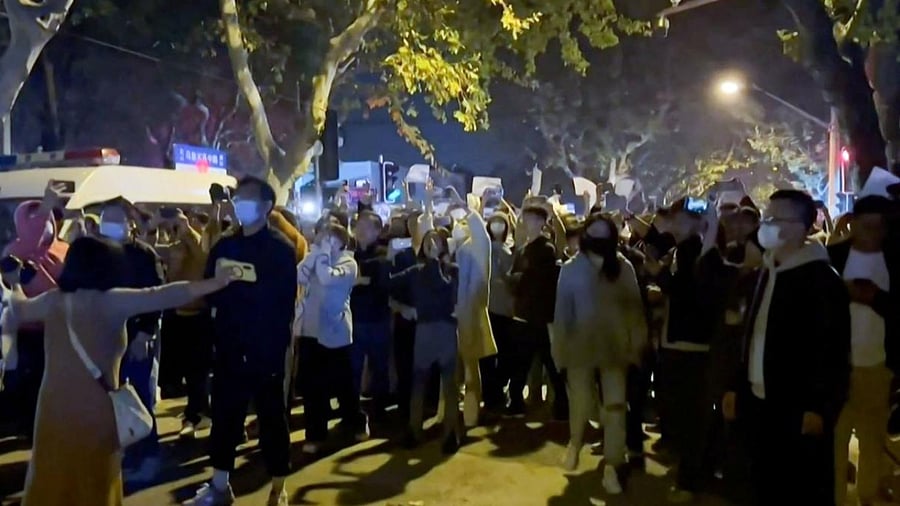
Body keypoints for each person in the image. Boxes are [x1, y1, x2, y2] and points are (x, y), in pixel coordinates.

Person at [8, 236, 237, 506]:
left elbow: (18, 309)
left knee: (54, 473)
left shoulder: (52, 301)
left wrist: (14, 281)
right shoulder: (114, 301)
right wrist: (216, 282)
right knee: (95, 477)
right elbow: (165, 294)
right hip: (97, 408)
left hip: (52, 407)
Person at [724, 189, 851, 506]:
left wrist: (819, 407)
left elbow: (831, 351)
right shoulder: (764, 274)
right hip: (757, 402)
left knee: (798, 489)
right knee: (760, 485)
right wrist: (735, 386)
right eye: (766, 218)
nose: (764, 225)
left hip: (797, 410)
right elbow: (749, 336)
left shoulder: (822, 280)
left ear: (800, 226)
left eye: (773, 219)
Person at [185, 177, 297, 506]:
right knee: (225, 416)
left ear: (266, 207)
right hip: (229, 345)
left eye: (247, 199)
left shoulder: (280, 248)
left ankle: (279, 486)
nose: (239, 204)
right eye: (237, 198)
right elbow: (208, 287)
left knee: (271, 417)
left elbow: (283, 302)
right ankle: (219, 485)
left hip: (266, 348)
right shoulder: (225, 244)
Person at [552, 214, 647, 494]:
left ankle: (612, 464)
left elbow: (635, 309)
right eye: (592, 232)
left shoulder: (623, 268)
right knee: (581, 402)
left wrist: (637, 345)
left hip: (615, 349)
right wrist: (559, 349)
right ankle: (575, 441)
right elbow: (562, 312)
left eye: (603, 234)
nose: (597, 239)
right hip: (580, 347)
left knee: (616, 408)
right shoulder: (570, 269)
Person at [827, 196, 898, 505]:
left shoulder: (894, 260)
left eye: (878, 227)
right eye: (865, 226)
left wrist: (875, 298)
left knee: (871, 440)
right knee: (834, 442)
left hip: (878, 366)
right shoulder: (834, 258)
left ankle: (867, 497)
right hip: (837, 366)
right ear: (852, 224)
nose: (872, 234)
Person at [97, 197, 167, 481]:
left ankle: (147, 455)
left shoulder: (144, 255)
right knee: (107, 399)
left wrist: (145, 334)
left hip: (136, 336)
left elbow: (157, 296)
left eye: (116, 217)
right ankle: (119, 455)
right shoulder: (96, 254)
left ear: (130, 223)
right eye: (105, 217)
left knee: (138, 397)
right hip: (103, 338)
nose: (109, 222)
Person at [1, 182, 68, 441]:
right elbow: (31, 238)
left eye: (44, 219)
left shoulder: (64, 249)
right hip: (27, 329)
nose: (41, 224)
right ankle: (29, 426)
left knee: (53, 381)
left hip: (58, 326)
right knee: (29, 380)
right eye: (33, 219)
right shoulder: (15, 250)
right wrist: (46, 205)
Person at [297, 222, 369, 453]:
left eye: (329, 237)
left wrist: (323, 256)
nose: (323, 240)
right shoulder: (317, 256)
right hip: (311, 330)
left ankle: (356, 422)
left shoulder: (348, 263)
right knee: (312, 387)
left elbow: (327, 278)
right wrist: (314, 255)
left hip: (336, 332)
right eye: (322, 236)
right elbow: (299, 275)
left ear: (340, 241)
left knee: (344, 386)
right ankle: (315, 434)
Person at [392, 228, 462, 454]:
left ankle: (450, 433)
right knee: (419, 383)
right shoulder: (415, 271)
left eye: (437, 241)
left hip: (445, 330)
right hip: (424, 330)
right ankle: (414, 430)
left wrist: (434, 262)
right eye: (428, 241)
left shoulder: (453, 270)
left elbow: (445, 288)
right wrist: (401, 307)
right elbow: (389, 286)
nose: (432, 245)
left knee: (449, 386)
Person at [508, 205, 567, 418]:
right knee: (521, 363)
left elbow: (540, 281)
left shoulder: (546, 249)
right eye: (525, 219)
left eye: (532, 219)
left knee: (551, 364)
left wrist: (518, 280)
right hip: (524, 314)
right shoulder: (523, 249)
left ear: (542, 222)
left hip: (541, 316)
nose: (527, 223)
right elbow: (515, 276)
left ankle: (562, 405)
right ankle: (516, 402)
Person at [349, 211, 392, 414]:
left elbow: (380, 278)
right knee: (353, 368)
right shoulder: (350, 255)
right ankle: (352, 410)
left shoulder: (383, 254)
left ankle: (379, 408)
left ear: (377, 231)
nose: (361, 230)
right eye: (359, 226)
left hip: (378, 319)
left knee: (379, 366)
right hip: (354, 319)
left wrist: (358, 278)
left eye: (367, 227)